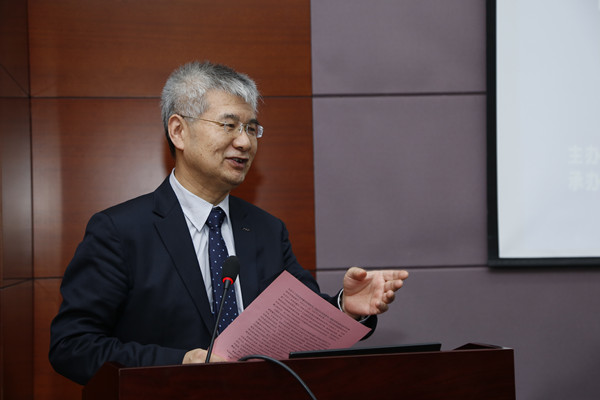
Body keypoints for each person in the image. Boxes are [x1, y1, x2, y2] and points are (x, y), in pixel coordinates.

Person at [49, 61, 409, 385]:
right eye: (229, 125)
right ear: (178, 131)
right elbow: (72, 346)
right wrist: (179, 362)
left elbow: (302, 320)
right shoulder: (119, 231)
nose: (245, 142)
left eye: (251, 128)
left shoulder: (267, 230)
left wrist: (345, 307)